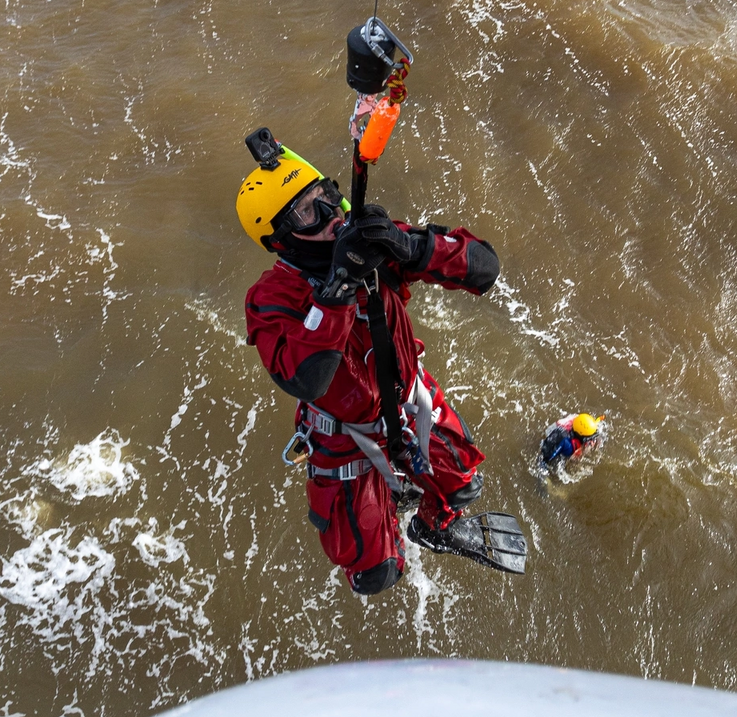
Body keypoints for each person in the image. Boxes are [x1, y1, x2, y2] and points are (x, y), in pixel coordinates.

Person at [237, 131, 527, 595]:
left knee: (462, 490)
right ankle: (385, 508)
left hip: (409, 400)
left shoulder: (374, 244)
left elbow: (484, 267)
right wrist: (337, 291)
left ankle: (430, 526)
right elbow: (308, 377)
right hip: (346, 438)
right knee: (376, 576)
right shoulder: (270, 300)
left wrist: (407, 246)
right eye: (308, 212)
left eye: (327, 195)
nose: (333, 215)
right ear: (281, 240)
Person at [539, 412, 605, 471]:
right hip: (556, 440)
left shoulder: (579, 420)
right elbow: (544, 458)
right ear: (581, 437)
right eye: (589, 438)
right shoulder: (566, 442)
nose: (591, 441)